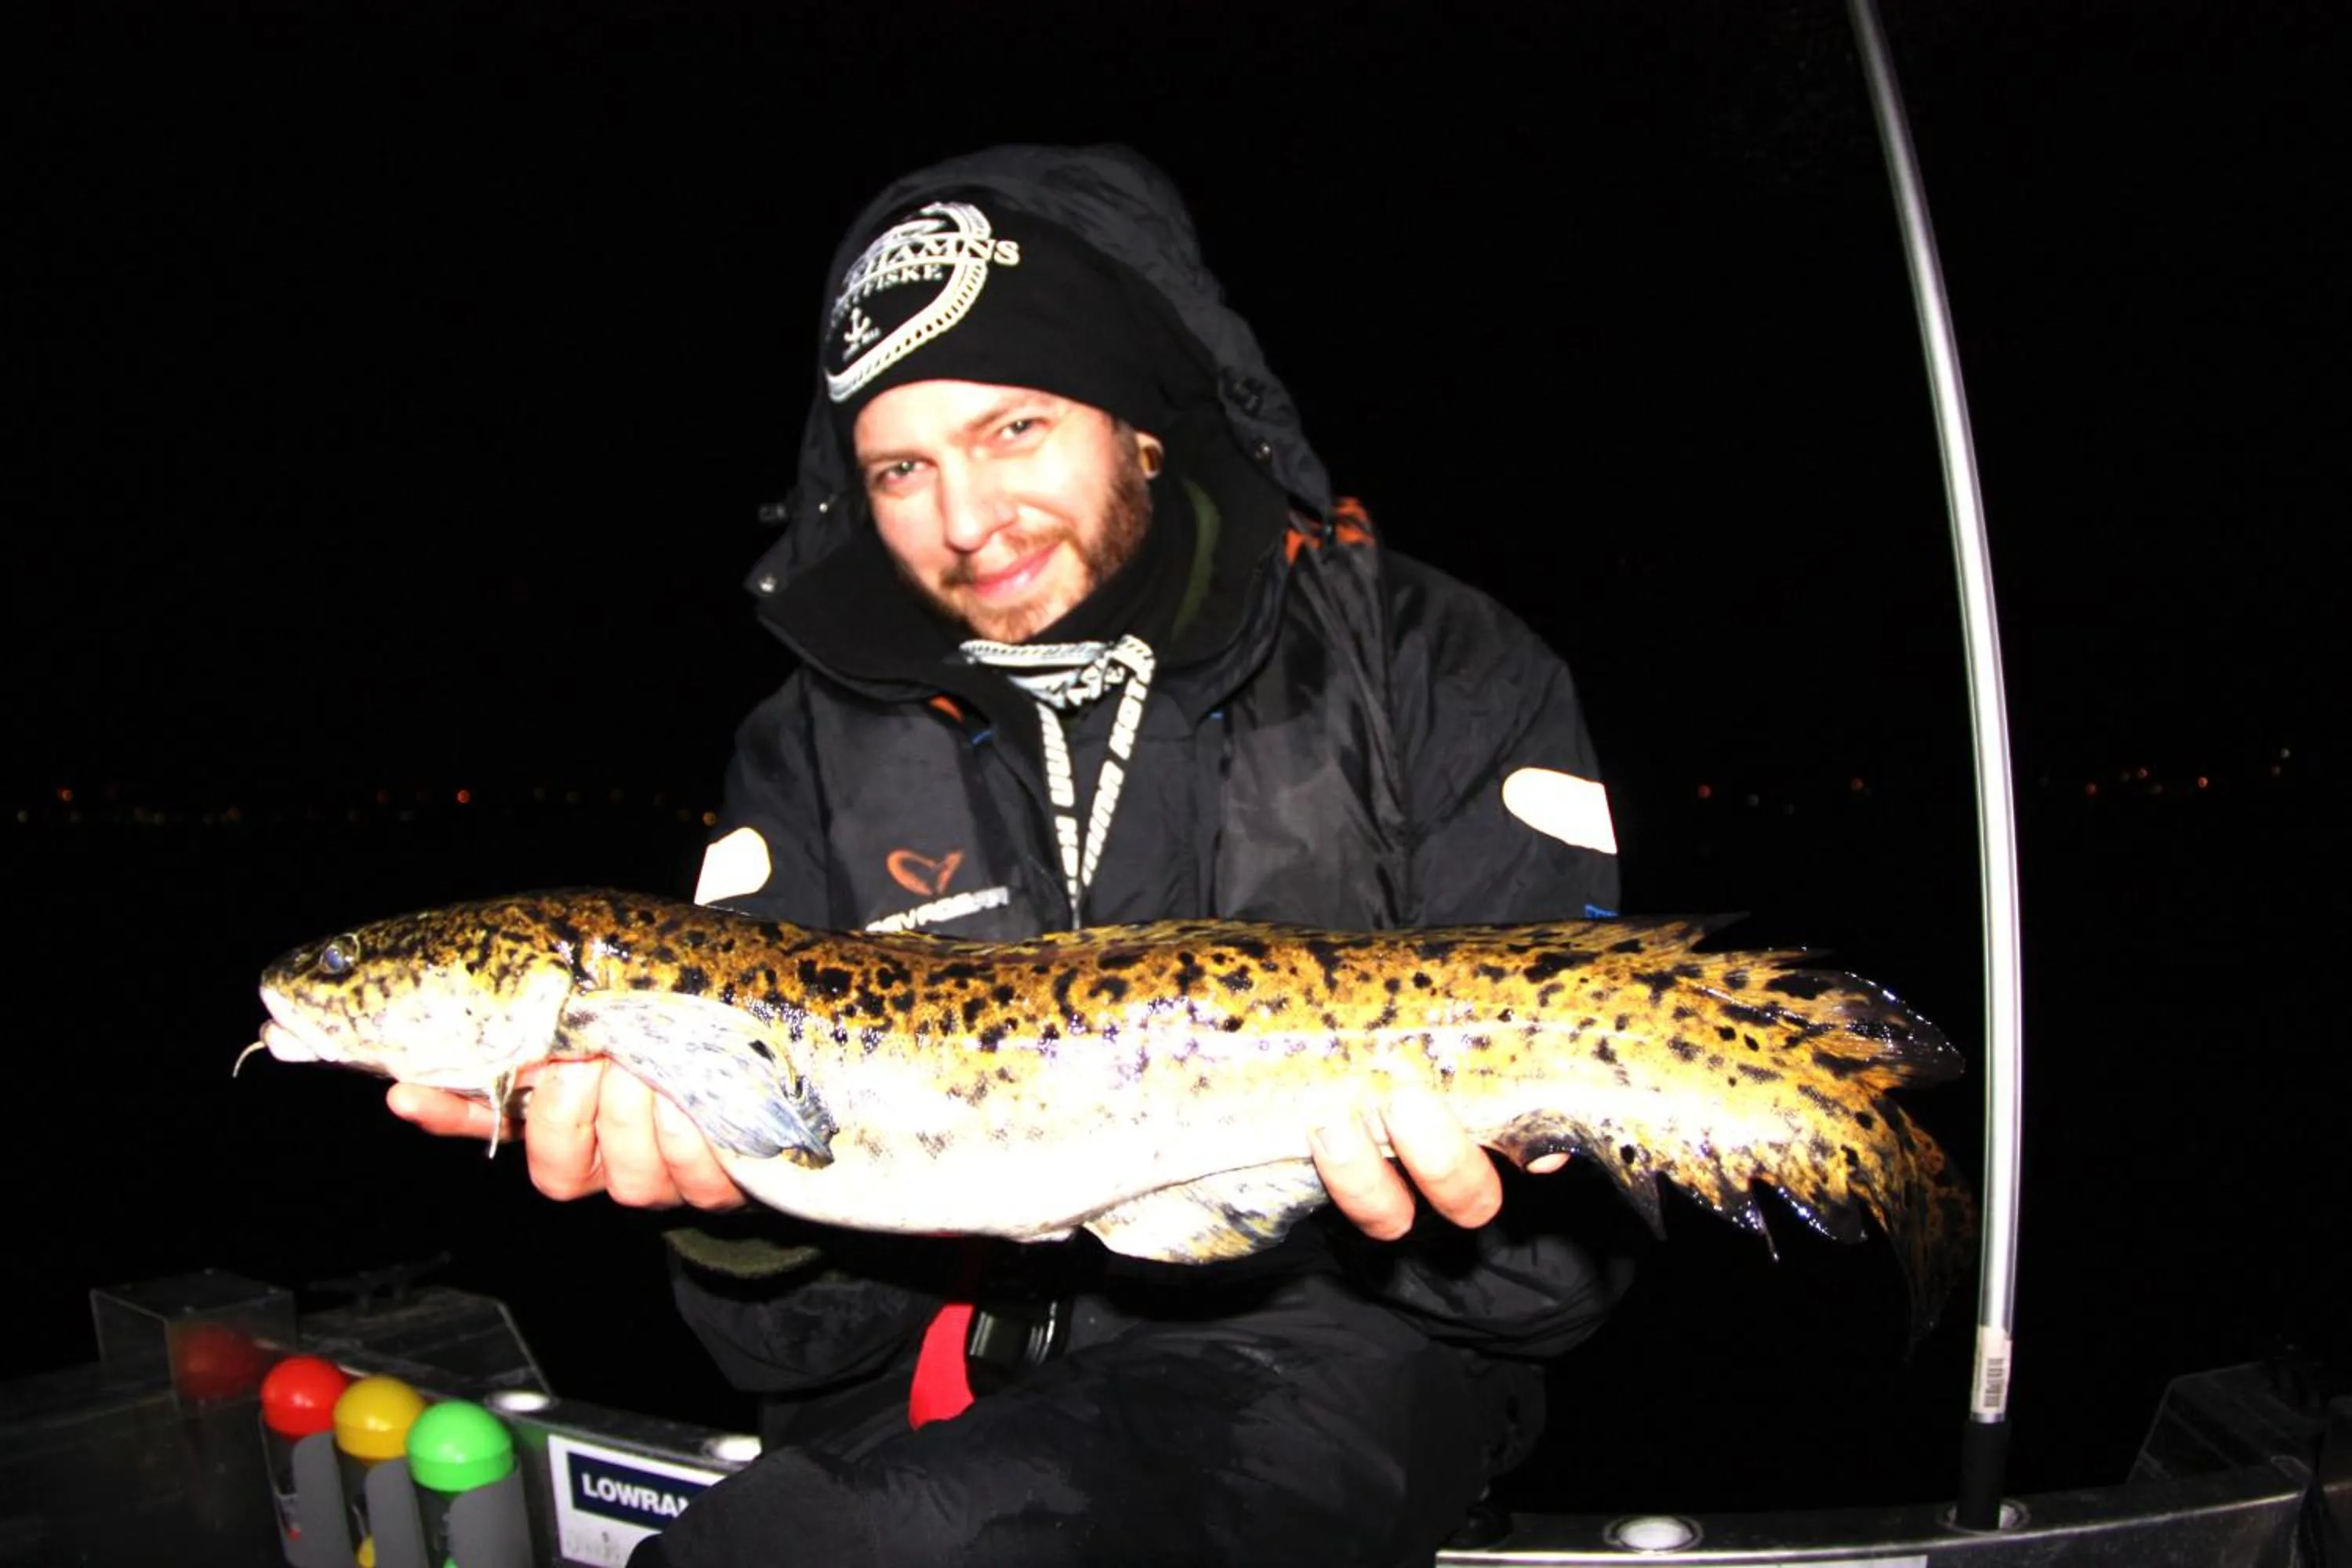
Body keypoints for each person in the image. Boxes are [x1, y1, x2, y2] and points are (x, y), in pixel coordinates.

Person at [392, 143, 1628, 1566]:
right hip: (912, 1402)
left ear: (1140, 422)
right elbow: (778, 1347)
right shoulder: (796, 750)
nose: (968, 521)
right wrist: (735, 1215)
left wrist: (1463, 1214)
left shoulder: (1437, 667)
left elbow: (1557, 1291)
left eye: (1016, 428)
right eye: (902, 468)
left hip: (1320, 1383)